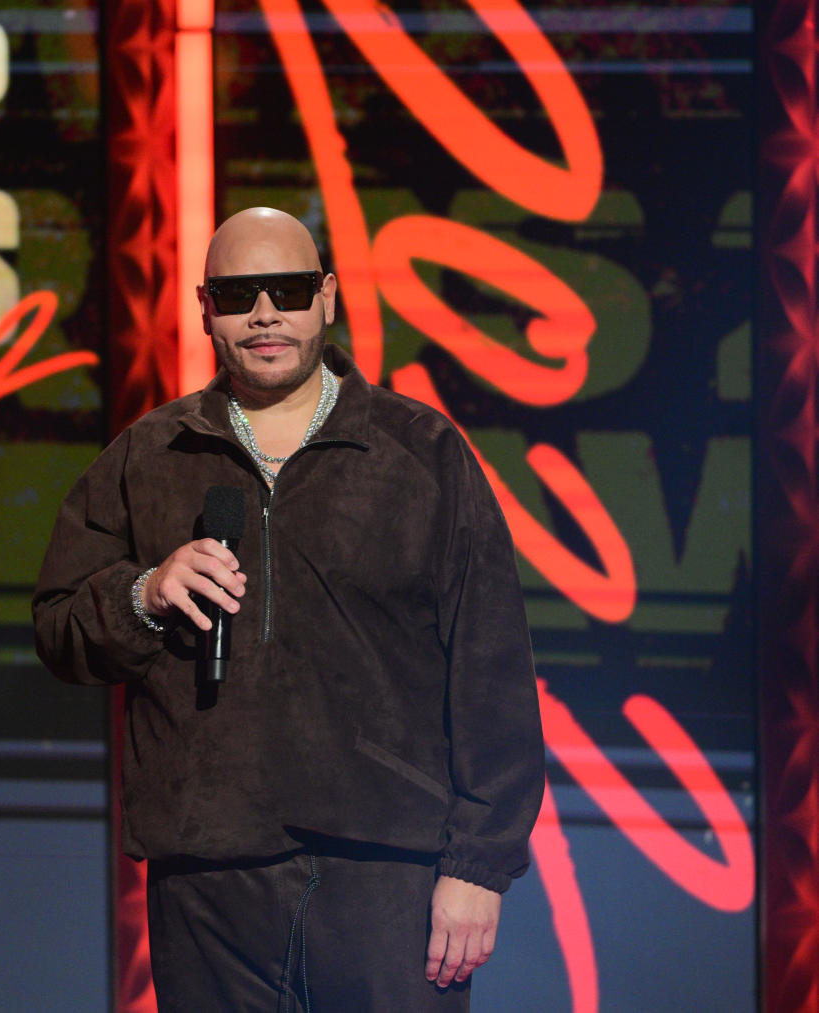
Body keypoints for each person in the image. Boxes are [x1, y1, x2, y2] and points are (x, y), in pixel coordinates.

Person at [33, 207, 544, 1012]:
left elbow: (494, 669)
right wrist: (144, 592)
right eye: (239, 293)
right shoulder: (150, 455)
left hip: (388, 876)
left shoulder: (421, 453)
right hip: (208, 879)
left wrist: (478, 864)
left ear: (327, 299)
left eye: (289, 289)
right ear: (204, 308)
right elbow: (58, 626)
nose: (265, 312)